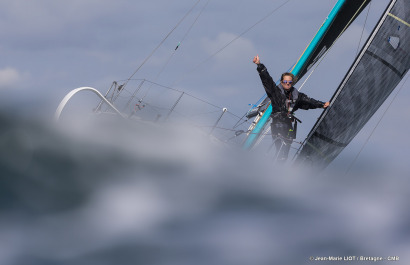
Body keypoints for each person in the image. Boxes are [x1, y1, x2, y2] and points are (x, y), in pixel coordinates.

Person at [253, 55, 329, 161]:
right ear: (281, 82)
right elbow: (267, 80)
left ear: (292, 83)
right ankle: (274, 163)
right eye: (285, 82)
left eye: (289, 82)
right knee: (279, 147)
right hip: (277, 124)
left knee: (285, 153)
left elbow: (309, 102)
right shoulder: (275, 92)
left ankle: (281, 165)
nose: (287, 84)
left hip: (289, 125)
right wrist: (259, 65)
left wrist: (322, 104)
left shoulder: (297, 95)